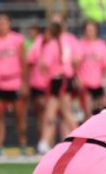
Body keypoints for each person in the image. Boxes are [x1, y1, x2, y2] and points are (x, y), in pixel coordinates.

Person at [29, 20, 79, 154]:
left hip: (58, 80)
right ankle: (48, 141)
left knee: (54, 112)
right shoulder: (64, 42)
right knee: (64, 111)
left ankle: (45, 142)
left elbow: (45, 64)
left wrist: (41, 64)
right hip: (65, 79)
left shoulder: (51, 44)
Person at [0, 12, 30, 155]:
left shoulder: (17, 40)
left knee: (19, 115)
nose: (2, 26)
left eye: (5, 22)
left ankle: (22, 143)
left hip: (15, 82)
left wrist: (25, 83)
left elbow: (24, 62)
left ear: (9, 24)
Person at [76, 20, 106, 115]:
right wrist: (78, 78)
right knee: (88, 113)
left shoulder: (102, 45)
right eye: (87, 30)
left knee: (99, 114)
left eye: (91, 30)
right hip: (85, 84)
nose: (89, 32)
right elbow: (76, 65)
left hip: (98, 84)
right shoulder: (80, 44)